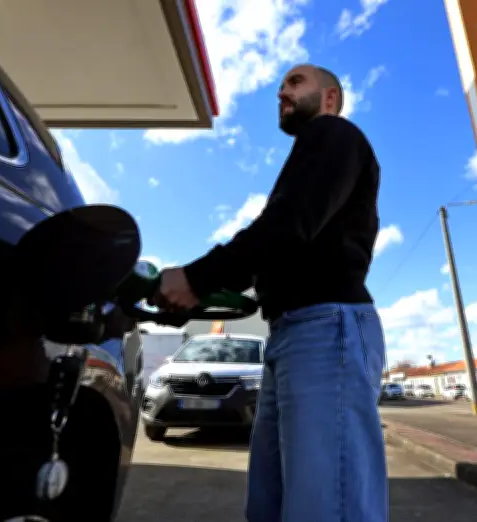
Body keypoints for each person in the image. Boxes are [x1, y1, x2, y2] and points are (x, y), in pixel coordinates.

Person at [154, 64, 388, 522]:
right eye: (282, 85)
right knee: (271, 507)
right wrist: (201, 295)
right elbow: (280, 244)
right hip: (292, 333)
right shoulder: (311, 153)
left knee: (326, 508)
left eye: (295, 82)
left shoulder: (334, 134)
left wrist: (197, 279)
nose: (281, 91)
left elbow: (287, 226)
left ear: (329, 99)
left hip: (327, 330)